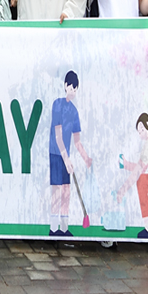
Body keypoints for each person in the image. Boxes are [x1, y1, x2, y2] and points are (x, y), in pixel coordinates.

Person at [49, 72, 92, 237]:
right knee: (56, 190)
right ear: (65, 85)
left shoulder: (74, 112)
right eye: (71, 87)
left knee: (67, 190)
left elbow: (77, 141)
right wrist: (66, 158)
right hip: (56, 153)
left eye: (75, 89)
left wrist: (86, 158)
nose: (72, 91)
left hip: (65, 155)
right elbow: (58, 136)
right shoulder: (57, 105)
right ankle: (54, 228)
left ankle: (64, 228)